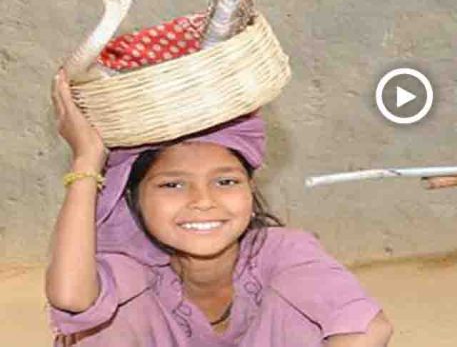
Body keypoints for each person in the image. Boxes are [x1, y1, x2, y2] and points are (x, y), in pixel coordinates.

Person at [46, 69, 393, 346]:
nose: (203, 201)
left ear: (250, 189)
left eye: (225, 182)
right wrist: (86, 159)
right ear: (135, 198)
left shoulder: (281, 252)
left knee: (312, 312)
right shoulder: (136, 267)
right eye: (173, 185)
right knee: (103, 323)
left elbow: (369, 330)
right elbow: (72, 297)